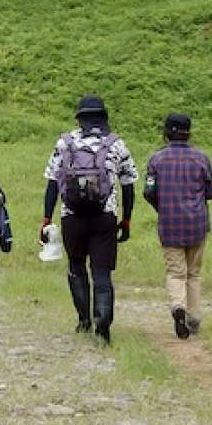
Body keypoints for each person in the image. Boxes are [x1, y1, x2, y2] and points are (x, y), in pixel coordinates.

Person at [41, 95, 138, 345]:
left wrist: (46, 218)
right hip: (104, 217)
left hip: (71, 217)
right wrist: (126, 220)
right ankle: (103, 325)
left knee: (76, 266)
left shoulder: (64, 143)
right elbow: (128, 186)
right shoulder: (116, 144)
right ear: (103, 118)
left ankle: (84, 319)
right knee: (102, 273)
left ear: (80, 118)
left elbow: (52, 183)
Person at [144, 113, 212, 340]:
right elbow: (211, 192)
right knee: (193, 273)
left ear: (166, 134)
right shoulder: (202, 158)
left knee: (176, 273)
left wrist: (162, 206)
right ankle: (193, 318)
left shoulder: (156, 160)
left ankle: (178, 306)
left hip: (170, 224)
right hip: (197, 223)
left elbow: (148, 191)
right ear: (189, 133)